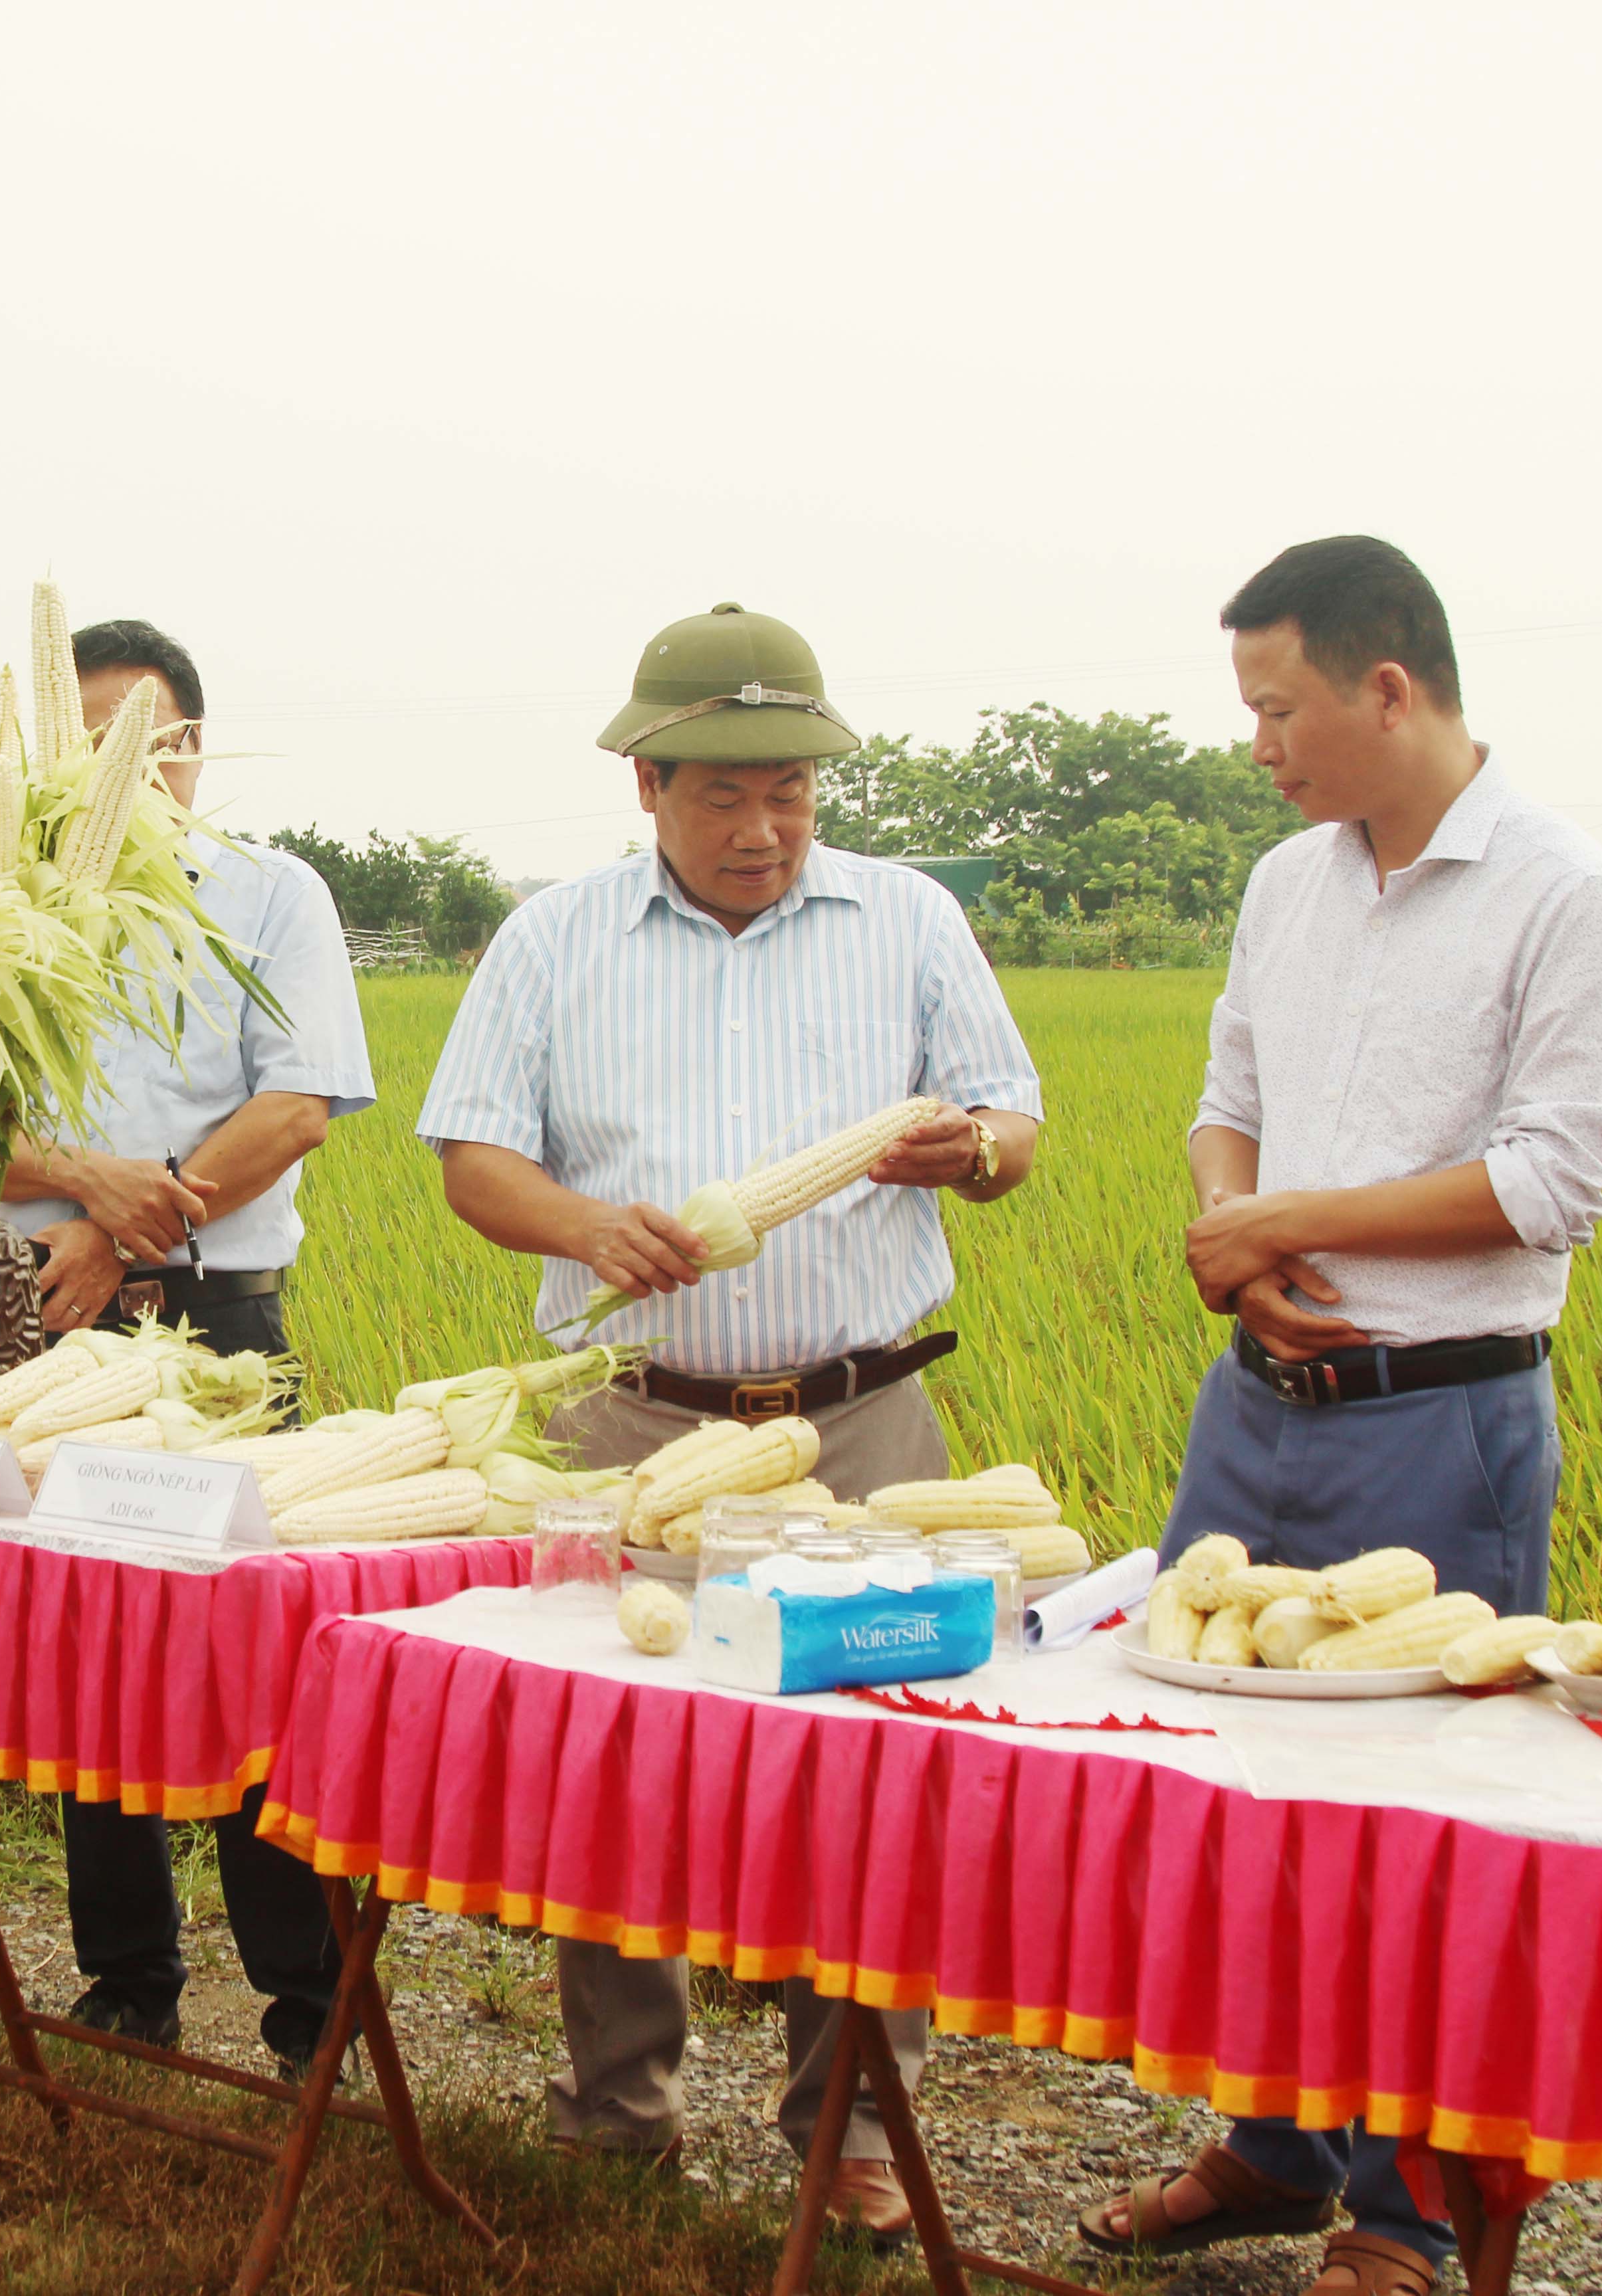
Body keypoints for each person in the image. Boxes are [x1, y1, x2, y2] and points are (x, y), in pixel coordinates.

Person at [1080, 537, 1602, 2296]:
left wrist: (1292, 1222)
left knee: (1426, 1819)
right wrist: (1237, 1227)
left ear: (1385, 688)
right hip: (1254, 1403)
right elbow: (1227, 1096)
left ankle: (1406, 2216)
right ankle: (1270, 2149)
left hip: (1441, 1417)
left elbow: (1556, 1178)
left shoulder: (1566, 898)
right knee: (1240, 1796)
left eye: (1277, 708)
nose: (1259, 744)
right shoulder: (1289, 884)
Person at [417, 601, 1043, 2232]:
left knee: (873, 1763)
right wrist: (580, 1229)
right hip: (638, 1419)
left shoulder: (905, 919)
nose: (762, 829)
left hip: (862, 1421)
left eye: (791, 792)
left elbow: (1015, 1121)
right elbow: (472, 1155)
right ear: (646, 785)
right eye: (722, 795)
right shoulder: (554, 938)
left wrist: (966, 1151)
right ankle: (615, 2105)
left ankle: (844, 2121)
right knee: (615, 1757)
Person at [0, 617, 377, 2082]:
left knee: (253, 1652)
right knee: (87, 1642)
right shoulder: (4, 905)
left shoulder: (272, 897)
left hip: (220, 1315)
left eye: (138, 741)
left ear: (192, 752)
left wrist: (130, 1228)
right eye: (77, 744)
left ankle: (303, 2002)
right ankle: (126, 1980)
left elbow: (299, 1107)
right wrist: (95, 1194)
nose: (108, 772)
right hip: (47, 1314)